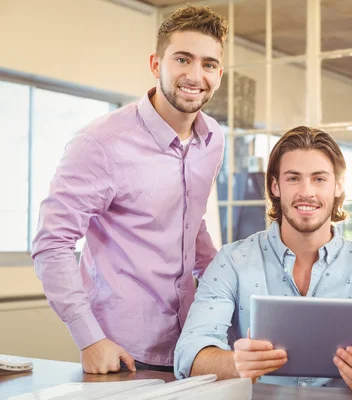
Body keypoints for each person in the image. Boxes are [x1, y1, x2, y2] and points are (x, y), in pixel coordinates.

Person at [31, 5, 228, 374]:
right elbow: (51, 243)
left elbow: (191, 222)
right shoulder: (101, 143)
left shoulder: (213, 139)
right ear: (156, 64)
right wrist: (89, 338)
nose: (195, 75)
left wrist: (227, 283)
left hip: (194, 341)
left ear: (219, 73)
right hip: (122, 350)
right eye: (182, 59)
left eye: (208, 64)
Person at [174, 126, 352, 397]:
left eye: (319, 179)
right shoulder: (232, 262)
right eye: (293, 178)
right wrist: (233, 363)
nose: (306, 192)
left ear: (338, 186)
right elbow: (189, 352)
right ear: (275, 186)